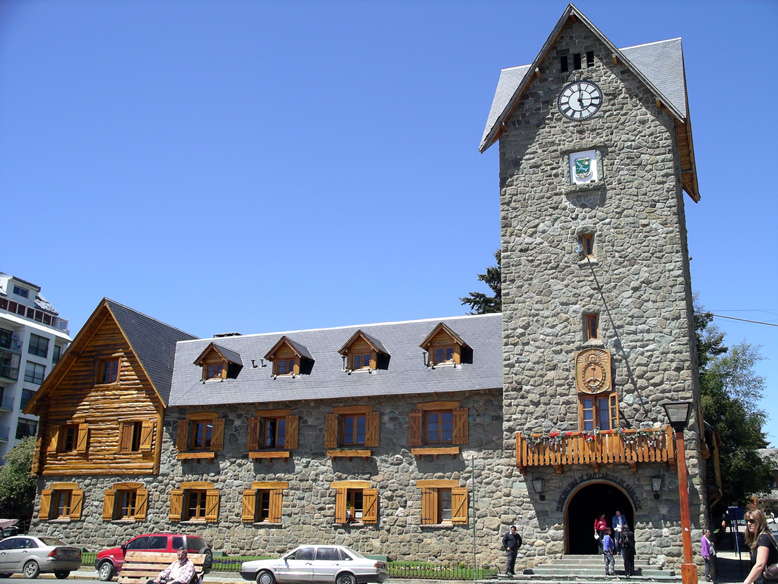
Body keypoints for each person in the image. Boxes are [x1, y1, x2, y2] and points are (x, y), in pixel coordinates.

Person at [743, 509, 778, 584]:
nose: (749, 524)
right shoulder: (763, 537)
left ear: (759, 522)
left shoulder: (763, 538)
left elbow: (760, 564)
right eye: (747, 521)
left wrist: (746, 582)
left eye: (752, 521)